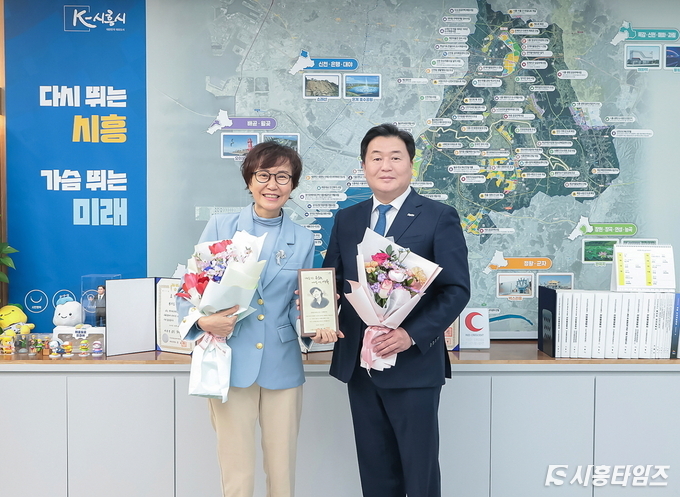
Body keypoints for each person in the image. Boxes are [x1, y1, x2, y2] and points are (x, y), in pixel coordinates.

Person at [320, 123, 470, 497]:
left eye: (395, 157)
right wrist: (316, 307)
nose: (385, 166)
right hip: (361, 365)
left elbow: (456, 290)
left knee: (419, 473)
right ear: (363, 166)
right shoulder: (347, 219)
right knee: (375, 471)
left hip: (413, 366)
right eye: (376, 158)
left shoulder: (439, 216)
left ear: (411, 165)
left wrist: (410, 335)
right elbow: (332, 279)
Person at [177, 141, 315, 497]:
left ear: (293, 184)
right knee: (236, 470)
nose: (273, 185)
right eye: (263, 175)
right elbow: (189, 288)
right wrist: (202, 324)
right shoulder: (221, 226)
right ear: (249, 180)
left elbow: (300, 301)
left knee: (282, 471)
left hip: (282, 364)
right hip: (231, 360)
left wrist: (315, 326)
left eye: (283, 177)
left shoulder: (303, 239)